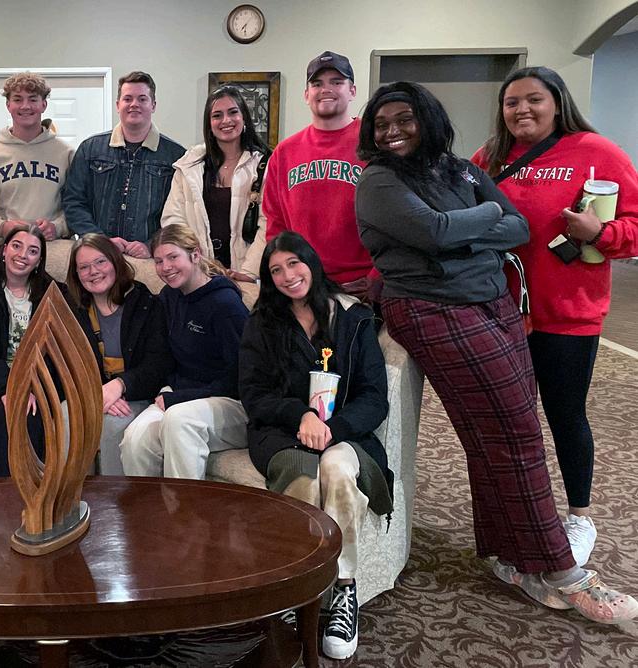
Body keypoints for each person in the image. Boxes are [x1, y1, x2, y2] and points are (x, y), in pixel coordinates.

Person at [355, 81, 637, 624]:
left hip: (496, 304)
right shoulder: (380, 180)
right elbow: (436, 231)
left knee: (496, 434)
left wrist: (464, 230)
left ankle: (510, 558)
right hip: (434, 310)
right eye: (381, 124)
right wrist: (482, 220)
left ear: (428, 119)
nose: (392, 131)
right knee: (517, 435)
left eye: (404, 119)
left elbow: (518, 226)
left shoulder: (461, 169)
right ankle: (561, 570)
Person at [471, 66, 638, 568]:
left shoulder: (595, 151)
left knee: (565, 416)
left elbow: (635, 226)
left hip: (568, 315)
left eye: (534, 99)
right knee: (510, 422)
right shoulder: (490, 158)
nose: (522, 109)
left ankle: (579, 516)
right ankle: (518, 514)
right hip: (500, 314)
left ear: (557, 102)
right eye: (511, 102)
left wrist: (599, 234)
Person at [239, 231, 391, 660]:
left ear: (312, 262)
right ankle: (296, 587)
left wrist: (334, 427)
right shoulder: (263, 322)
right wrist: (300, 415)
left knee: (338, 471)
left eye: (294, 263)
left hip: (345, 432)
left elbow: (374, 397)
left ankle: (344, 588)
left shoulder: (353, 318)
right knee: (304, 481)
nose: (288, 275)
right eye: (276, 270)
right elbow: (254, 394)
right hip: (282, 432)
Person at [119, 225, 248, 479]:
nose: (166, 267)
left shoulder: (226, 305)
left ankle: (184, 506)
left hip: (232, 400)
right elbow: (161, 356)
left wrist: (180, 398)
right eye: (159, 261)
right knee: (135, 440)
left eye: (173, 257)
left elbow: (240, 377)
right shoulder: (169, 297)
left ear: (195, 255)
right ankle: (146, 506)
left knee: (179, 421)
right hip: (183, 393)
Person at [260, 51, 375, 293]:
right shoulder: (284, 152)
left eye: (336, 82)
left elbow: (396, 218)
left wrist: (376, 277)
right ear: (306, 94)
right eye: (317, 84)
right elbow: (275, 224)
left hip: (364, 285)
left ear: (352, 91)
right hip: (305, 286)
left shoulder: (373, 142)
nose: (326, 89)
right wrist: (289, 276)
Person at [66, 234, 174, 475]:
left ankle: (114, 498)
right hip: (88, 392)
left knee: (113, 425)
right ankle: (69, 496)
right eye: (84, 267)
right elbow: (63, 362)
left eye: (100, 262)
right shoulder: (72, 307)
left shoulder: (145, 303)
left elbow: (158, 364)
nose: (93, 271)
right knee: (66, 415)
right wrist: (98, 393)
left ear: (115, 262)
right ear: (76, 274)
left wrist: (121, 385)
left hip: (137, 394)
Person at [0, 224, 62, 477]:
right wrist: (11, 388)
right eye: (17, 246)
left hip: (39, 381)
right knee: (0, 413)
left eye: (33, 251)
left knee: (35, 412)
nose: (22, 255)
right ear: (5, 250)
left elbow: (61, 347)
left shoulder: (54, 293)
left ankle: (39, 490)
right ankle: (4, 493)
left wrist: (33, 388)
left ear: (39, 261)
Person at [63, 71, 186, 258]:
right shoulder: (90, 149)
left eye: (142, 99)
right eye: (127, 99)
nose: (134, 104)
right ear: (117, 105)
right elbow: (73, 201)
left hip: (151, 260)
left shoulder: (176, 156)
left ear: (153, 105)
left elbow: (180, 214)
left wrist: (151, 245)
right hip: (98, 255)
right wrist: (100, 241)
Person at [161, 86, 268, 283]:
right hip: (198, 274)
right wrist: (196, 264)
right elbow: (173, 220)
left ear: (244, 117)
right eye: (217, 115)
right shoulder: (189, 166)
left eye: (233, 112)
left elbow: (268, 224)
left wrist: (249, 271)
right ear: (209, 124)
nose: (226, 120)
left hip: (248, 278)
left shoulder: (265, 166)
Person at [0, 72, 74, 240]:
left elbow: (79, 205)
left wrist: (57, 227)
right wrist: (2, 227)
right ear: (8, 105)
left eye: (33, 99)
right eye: (18, 99)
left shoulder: (66, 153)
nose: (25, 106)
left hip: (54, 246)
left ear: (44, 105)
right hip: (8, 246)